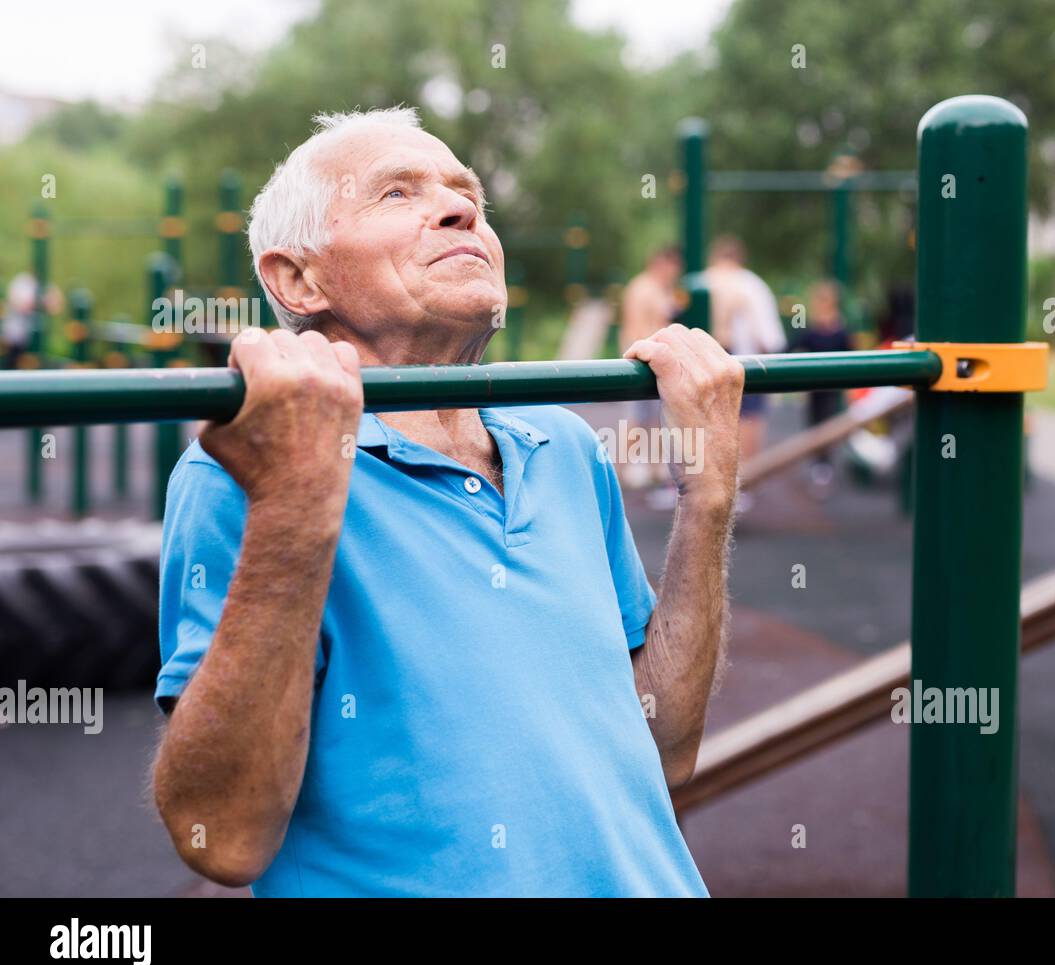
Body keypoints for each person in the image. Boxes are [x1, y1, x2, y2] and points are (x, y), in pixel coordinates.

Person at [150, 108, 744, 898]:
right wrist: (295, 500)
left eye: (469, 194)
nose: (462, 208)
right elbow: (219, 838)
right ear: (298, 279)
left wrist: (708, 497)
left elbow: (662, 748)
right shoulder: (235, 475)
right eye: (396, 193)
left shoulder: (562, 445)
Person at [704, 236, 786, 508]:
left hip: (705, 360)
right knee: (749, 418)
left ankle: (705, 485)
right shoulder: (752, 285)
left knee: (704, 420)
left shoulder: (701, 281)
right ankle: (743, 484)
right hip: (746, 361)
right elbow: (769, 337)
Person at [617, 245, 682, 489]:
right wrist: (641, 360)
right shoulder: (642, 288)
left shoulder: (659, 290)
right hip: (642, 361)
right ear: (663, 264)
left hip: (652, 359)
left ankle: (656, 472)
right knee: (637, 419)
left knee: (655, 420)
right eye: (674, 267)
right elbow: (635, 327)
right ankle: (617, 471)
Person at [789, 280, 853, 489]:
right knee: (814, 422)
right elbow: (789, 347)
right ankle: (819, 464)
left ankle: (825, 465)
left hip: (832, 388)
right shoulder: (811, 331)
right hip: (815, 388)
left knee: (828, 422)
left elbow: (851, 357)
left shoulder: (841, 331)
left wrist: (851, 390)